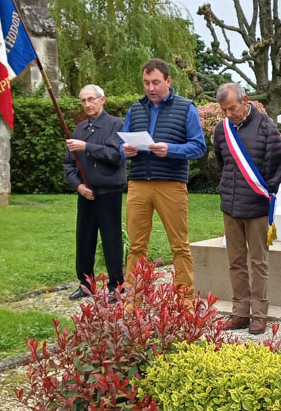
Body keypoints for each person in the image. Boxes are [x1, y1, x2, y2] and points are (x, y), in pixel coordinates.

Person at [120, 58, 206, 292]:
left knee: (179, 245)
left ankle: (184, 300)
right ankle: (134, 299)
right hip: (138, 183)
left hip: (171, 184)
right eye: (146, 83)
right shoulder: (135, 109)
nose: (150, 88)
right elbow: (122, 143)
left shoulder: (186, 107)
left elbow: (199, 147)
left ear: (168, 80)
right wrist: (125, 149)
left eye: (155, 82)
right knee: (136, 246)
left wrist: (171, 149)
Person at [213, 83, 281, 334]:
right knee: (235, 261)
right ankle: (240, 312)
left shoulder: (266, 126)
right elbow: (222, 162)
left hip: (256, 207)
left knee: (258, 262)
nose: (228, 114)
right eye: (224, 110)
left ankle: (259, 314)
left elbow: (277, 165)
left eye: (232, 108)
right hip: (230, 206)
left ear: (245, 100)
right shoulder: (222, 129)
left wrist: (264, 193)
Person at [63, 84, 125, 299]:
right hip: (86, 194)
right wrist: (78, 186)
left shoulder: (117, 125)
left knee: (111, 239)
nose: (87, 104)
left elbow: (115, 156)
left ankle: (117, 286)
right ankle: (85, 284)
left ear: (102, 100)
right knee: (84, 238)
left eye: (91, 99)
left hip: (109, 192)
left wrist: (86, 147)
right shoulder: (79, 129)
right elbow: (68, 165)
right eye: (83, 100)